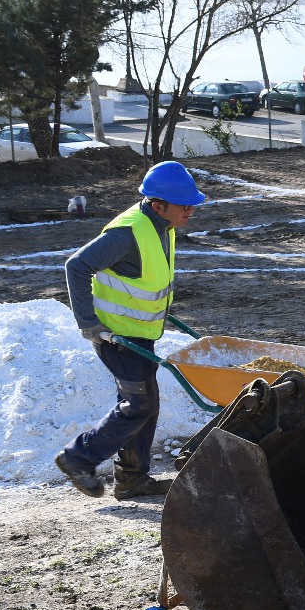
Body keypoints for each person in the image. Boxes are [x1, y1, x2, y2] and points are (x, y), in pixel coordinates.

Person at [53, 161, 207, 500]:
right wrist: (88, 323)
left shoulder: (160, 225)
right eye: (184, 204)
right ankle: (78, 458)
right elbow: (76, 266)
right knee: (139, 404)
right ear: (158, 205)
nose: (190, 209)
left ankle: (132, 480)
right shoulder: (127, 233)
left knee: (143, 403)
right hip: (116, 337)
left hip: (138, 334)